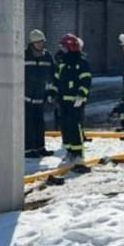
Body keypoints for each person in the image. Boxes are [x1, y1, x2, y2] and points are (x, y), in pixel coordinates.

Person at [54, 34, 92, 163]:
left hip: (76, 100)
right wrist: (52, 92)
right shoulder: (63, 63)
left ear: (71, 47)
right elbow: (56, 79)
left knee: (74, 126)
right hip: (63, 100)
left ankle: (78, 152)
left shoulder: (81, 62)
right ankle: (70, 150)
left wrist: (82, 94)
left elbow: (86, 80)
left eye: (64, 47)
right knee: (65, 126)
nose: (62, 50)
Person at [23, 29, 55, 158]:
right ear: (32, 43)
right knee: (28, 124)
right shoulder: (24, 55)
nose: (41, 45)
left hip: (40, 96)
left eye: (42, 42)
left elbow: (53, 75)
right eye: (38, 42)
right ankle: (28, 149)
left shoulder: (47, 56)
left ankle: (40, 147)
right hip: (25, 97)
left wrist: (52, 91)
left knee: (39, 123)